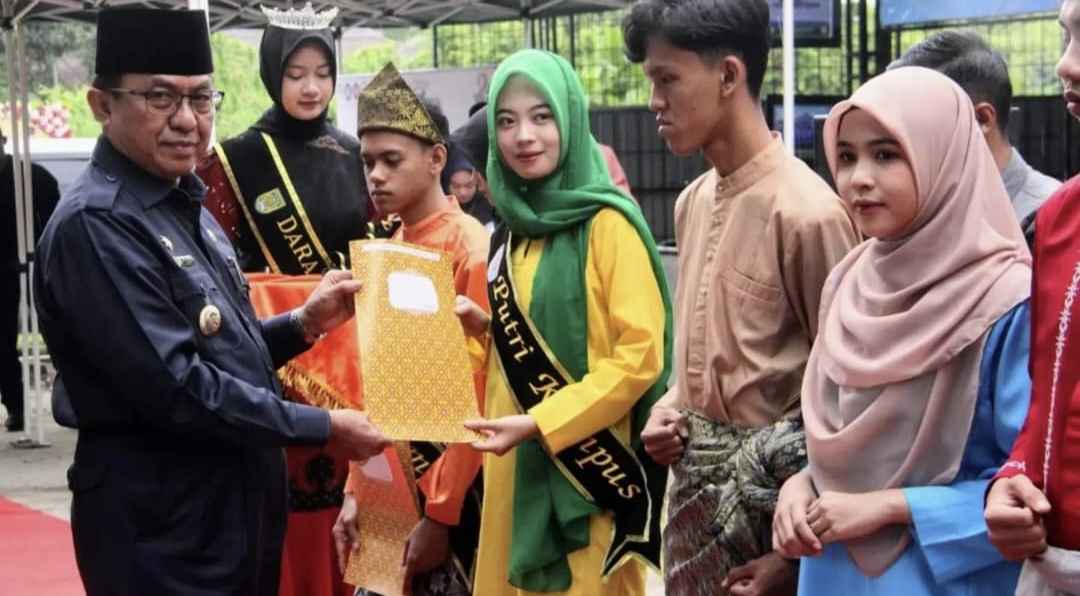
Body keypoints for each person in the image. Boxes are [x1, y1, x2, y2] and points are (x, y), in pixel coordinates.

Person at [32, 8, 389, 595]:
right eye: (160, 98)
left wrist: (303, 324)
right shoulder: (98, 226)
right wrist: (323, 425)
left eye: (201, 99)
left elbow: (222, 348)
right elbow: (179, 389)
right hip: (164, 531)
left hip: (231, 516)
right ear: (102, 104)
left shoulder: (183, 202)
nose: (186, 120)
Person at [621, 0, 860, 593]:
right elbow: (696, 368)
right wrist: (668, 409)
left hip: (776, 523)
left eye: (667, 79)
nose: (654, 101)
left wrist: (794, 560)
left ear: (729, 75)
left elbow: (849, 402)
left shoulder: (809, 214)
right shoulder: (693, 202)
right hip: (693, 505)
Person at [771, 66, 1032, 596]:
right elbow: (847, 445)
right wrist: (802, 484)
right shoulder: (847, 283)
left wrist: (892, 507)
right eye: (847, 157)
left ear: (944, 158)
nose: (858, 178)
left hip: (946, 577)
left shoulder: (1006, 301)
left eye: (886, 154)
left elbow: (1032, 491)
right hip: (832, 569)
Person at [453, 49, 672, 596]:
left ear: (570, 119)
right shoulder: (511, 231)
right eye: (507, 121)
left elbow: (640, 358)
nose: (524, 136)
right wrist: (488, 329)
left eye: (541, 116)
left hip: (588, 476)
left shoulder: (609, 226)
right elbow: (534, 342)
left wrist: (541, 422)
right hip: (513, 469)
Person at [194, 7, 373, 595]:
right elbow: (214, 268)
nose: (311, 86)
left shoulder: (354, 154)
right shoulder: (236, 160)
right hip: (274, 364)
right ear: (273, 74)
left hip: (353, 365)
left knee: (352, 509)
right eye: (296, 74)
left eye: (322, 73)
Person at [332, 63, 490, 596]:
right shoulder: (385, 248)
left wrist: (441, 514)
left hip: (454, 499)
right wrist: (356, 489)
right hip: (389, 489)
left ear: (437, 159)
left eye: (391, 160)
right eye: (367, 162)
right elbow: (376, 387)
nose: (375, 175)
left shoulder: (469, 247)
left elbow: (476, 393)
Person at [984, 1, 1080, 593]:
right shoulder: (1059, 217)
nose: (1066, 65)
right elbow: (1046, 400)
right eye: (1066, 36)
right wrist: (1012, 479)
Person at [891, 30, 1059, 229]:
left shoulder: (1053, 217)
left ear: (981, 119)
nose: (902, 138)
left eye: (917, 121)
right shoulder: (919, 212)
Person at [0, 126, 60, 432]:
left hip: (37, 265)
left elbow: (54, 223)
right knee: (2, 341)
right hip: (3, 272)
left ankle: (75, 395)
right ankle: (16, 406)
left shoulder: (33, 178)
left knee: (58, 331)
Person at [444, 148, 496, 227]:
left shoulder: (490, 207)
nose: (463, 192)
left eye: (469, 186)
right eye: (456, 186)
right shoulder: (440, 208)